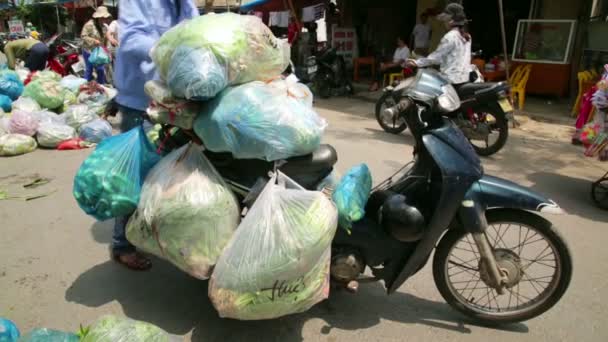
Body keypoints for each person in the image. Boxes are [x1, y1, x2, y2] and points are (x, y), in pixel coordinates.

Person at [112, 0, 199, 270]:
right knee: (135, 176)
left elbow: (199, 31)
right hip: (140, 101)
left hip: (175, 99)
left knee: (179, 170)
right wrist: (170, 49)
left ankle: (166, 233)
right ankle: (121, 244)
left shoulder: (186, 4)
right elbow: (131, 40)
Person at [408, 3, 471, 85]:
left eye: (445, 20)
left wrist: (416, 63)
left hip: (450, 79)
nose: (444, 23)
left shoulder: (450, 36)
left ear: (450, 21)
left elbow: (435, 58)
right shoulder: (467, 36)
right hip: (464, 79)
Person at [81, 6, 112, 84]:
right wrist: (94, 41)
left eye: (105, 18)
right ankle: (84, 88)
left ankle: (101, 87)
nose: (104, 19)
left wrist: (106, 50)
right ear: (98, 17)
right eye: (102, 18)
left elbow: (105, 39)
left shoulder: (104, 27)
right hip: (89, 51)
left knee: (101, 70)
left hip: (99, 52)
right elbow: (83, 36)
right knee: (89, 70)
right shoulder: (89, 25)